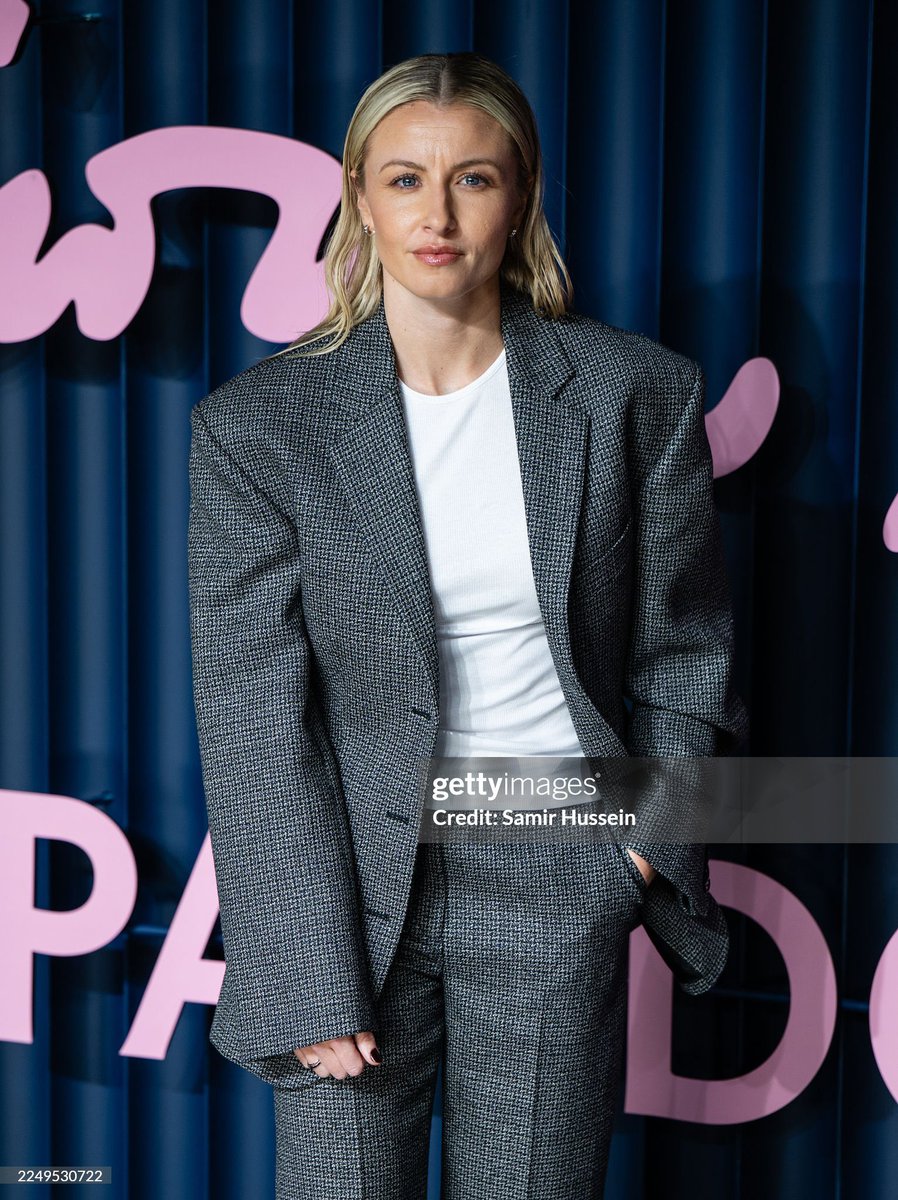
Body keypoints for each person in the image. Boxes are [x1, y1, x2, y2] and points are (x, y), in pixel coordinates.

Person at [187, 50, 749, 1200]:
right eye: (403, 179)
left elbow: (684, 656)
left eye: (473, 179)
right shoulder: (258, 427)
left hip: (557, 864)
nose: (436, 215)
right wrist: (304, 973)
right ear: (357, 198)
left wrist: (629, 859)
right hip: (345, 895)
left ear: (520, 197)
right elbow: (253, 722)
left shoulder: (630, 393)